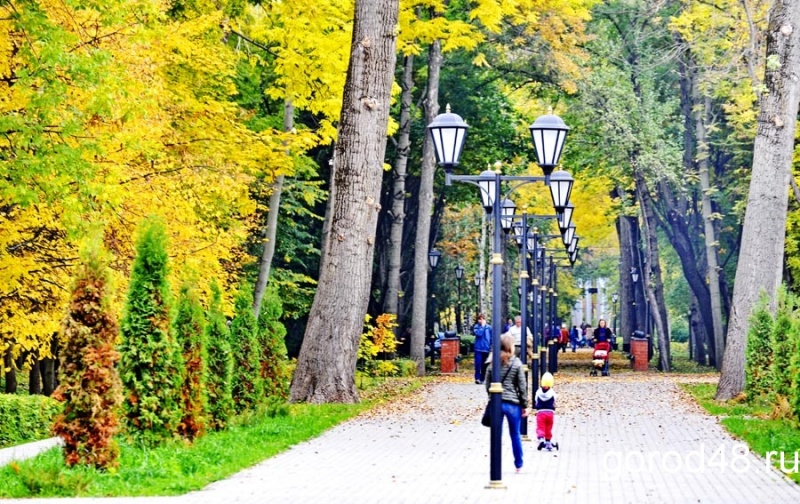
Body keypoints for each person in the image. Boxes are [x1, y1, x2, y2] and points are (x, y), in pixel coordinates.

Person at [484, 334, 528, 472]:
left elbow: (487, 384)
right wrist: (524, 404)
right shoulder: (516, 363)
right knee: (515, 434)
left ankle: (496, 465)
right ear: (511, 346)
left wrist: (492, 397)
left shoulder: (492, 363)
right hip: (513, 404)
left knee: (496, 434)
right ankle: (518, 465)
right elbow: (522, 385)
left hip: (497, 403)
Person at [535, 372, 557, 451]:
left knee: (540, 427)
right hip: (550, 413)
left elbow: (536, 401)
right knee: (548, 427)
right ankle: (548, 442)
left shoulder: (538, 392)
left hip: (540, 413)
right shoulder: (552, 393)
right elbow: (554, 402)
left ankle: (541, 439)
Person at [472, 314, 492, 384]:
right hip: (478, 349)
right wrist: (482, 326)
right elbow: (479, 334)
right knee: (478, 364)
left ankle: (482, 379)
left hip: (486, 349)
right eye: (479, 319)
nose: (481, 320)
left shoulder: (489, 327)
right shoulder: (476, 327)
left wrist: (491, 347)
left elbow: (491, 338)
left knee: (485, 365)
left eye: (482, 319)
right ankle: (477, 378)